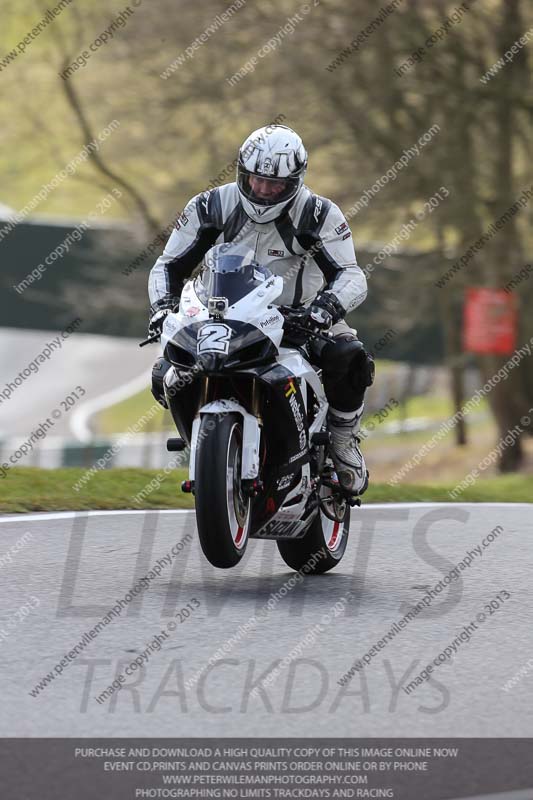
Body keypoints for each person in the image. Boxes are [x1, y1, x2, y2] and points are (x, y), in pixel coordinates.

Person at [148, 124, 374, 495]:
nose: (265, 190)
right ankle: (203, 446)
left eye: (277, 184)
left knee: (349, 358)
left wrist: (324, 310)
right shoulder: (208, 206)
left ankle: (342, 440)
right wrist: (163, 308)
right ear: (242, 172)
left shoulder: (319, 214)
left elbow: (352, 274)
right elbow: (168, 265)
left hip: (300, 317)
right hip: (223, 313)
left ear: (296, 181)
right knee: (167, 371)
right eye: (256, 180)